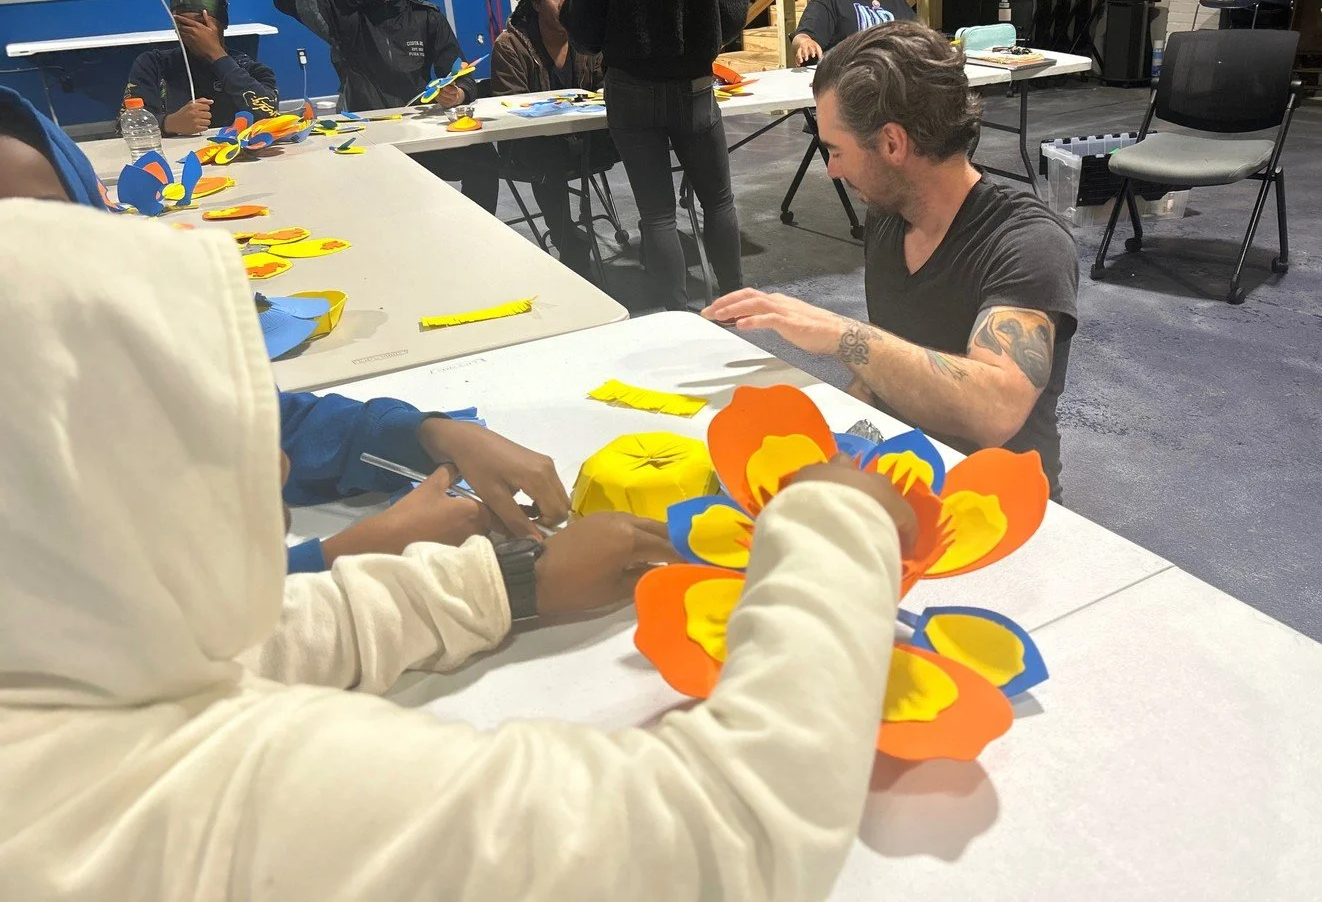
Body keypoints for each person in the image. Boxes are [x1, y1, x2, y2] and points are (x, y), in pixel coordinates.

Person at [0, 198, 919, 901]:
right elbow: (718, 837)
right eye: (206, 436)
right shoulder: (161, 805)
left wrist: (509, 581)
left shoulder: (56, 651)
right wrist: (838, 527)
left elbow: (262, 639)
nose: (276, 462)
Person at [0, 84, 588, 572]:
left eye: (35, 223)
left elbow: (260, 426)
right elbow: (97, 628)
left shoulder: (108, 347)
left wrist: (427, 433)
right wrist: (347, 555)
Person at [703, 24, 1079, 498]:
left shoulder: (1028, 243)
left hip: (996, 509)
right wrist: (833, 444)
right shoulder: (888, 216)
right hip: (904, 477)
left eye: (836, 150)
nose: (832, 170)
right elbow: (887, 366)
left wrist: (842, 335)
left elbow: (994, 411)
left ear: (892, 144)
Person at [565, 0, 749, 311]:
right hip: (694, 87)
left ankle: (676, 314)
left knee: (658, 215)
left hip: (630, 90)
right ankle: (736, 302)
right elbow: (735, 10)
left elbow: (583, 30)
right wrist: (702, 42)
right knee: (719, 202)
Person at [275, 0, 499, 212]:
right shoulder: (342, 7)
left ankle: (478, 231)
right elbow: (293, 1)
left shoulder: (425, 16)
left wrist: (457, 93)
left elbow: (460, 72)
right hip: (365, 136)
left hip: (418, 133)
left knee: (483, 157)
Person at [491, 0, 610, 276]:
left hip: (585, 138)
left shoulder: (588, 40)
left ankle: (658, 231)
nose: (564, 3)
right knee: (546, 153)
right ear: (536, 3)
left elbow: (605, 83)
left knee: (643, 135)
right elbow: (510, 109)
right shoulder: (511, 45)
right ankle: (566, 239)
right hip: (532, 146)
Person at [119, 0, 279, 136]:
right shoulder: (153, 64)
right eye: (183, 24)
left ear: (222, 23)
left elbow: (270, 114)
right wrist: (168, 123)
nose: (193, 32)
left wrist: (216, 55)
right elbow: (125, 126)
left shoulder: (249, 69)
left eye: (201, 23)